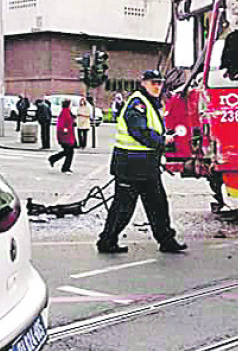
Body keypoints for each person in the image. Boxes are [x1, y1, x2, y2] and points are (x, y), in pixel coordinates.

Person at [96, 70, 187, 254]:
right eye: (153, 83)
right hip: (130, 166)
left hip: (147, 166)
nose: (157, 86)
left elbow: (149, 130)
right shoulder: (137, 103)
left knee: (158, 206)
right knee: (123, 209)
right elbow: (139, 131)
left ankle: (166, 240)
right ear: (143, 83)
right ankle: (107, 241)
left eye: (160, 83)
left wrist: (163, 139)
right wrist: (162, 140)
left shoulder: (150, 103)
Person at [49, 99, 76, 173]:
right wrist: (64, 129)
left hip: (68, 135)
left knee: (67, 152)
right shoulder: (65, 112)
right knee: (69, 152)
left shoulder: (67, 112)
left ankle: (54, 159)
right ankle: (64, 167)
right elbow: (61, 124)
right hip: (65, 136)